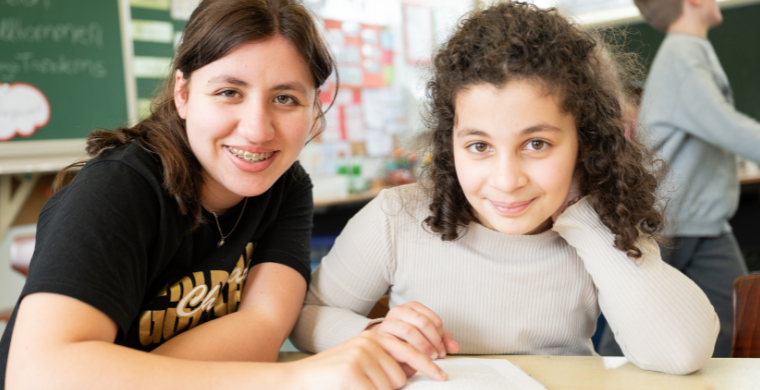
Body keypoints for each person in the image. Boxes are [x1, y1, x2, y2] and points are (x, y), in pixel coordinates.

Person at [0, 1, 446, 389]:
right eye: (229, 92)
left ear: (314, 108)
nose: (256, 129)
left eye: (286, 99)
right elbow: (38, 376)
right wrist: (296, 379)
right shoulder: (117, 187)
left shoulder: (285, 186)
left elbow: (264, 324)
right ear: (183, 94)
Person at [291, 1, 720, 375]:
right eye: (479, 146)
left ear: (584, 142)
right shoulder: (398, 216)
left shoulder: (604, 221)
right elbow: (305, 315)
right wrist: (373, 332)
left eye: (537, 144)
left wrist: (584, 219)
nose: (506, 179)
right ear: (449, 143)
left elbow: (680, 352)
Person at [598, 0, 760, 358]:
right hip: (670, 221)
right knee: (632, 330)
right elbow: (726, 127)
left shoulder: (689, 51)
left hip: (701, 221)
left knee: (734, 327)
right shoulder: (682, 55)